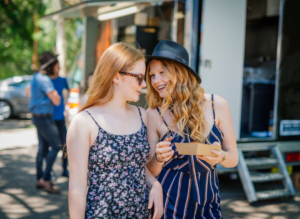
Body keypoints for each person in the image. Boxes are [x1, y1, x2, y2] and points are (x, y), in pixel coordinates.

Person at [67, 42, 163, 219]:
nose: (144, 85)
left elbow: (138, 166)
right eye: (139, 78)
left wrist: (155, 185)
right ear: (116, 76)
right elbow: (77, 187)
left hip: (140, 214)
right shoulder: (84, 122)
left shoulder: (142, 115)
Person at [145, 40, 238, 218]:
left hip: (209, 206)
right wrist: (158, 158)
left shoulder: (217, 104)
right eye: (152, 75)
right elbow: (150, 170)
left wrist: (221, 157)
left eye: (162, 73)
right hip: (169, 205)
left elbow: (233, 157)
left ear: (179, 72)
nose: (156, 81)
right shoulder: (153, 113)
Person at [29, 51, 62, 194]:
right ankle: (46, 178)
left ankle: (39, 179)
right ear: (51, 66)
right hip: (44, 118)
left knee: (42, 147)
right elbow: (57, 100)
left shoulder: (37, 77)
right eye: (56, 65)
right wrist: (58, 95)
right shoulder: (44, 79)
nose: (58, 68)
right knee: (56, 145)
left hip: (38, 116)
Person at [50, 68, 70, 177]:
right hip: (50, 119)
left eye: (58, 67)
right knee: (53, 146)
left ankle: (64, 169)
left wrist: (65, 103)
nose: (57, 69)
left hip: (61, 117)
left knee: (65, 145)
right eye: (55, 67)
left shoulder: (62, 80)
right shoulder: (47, 81)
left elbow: (68, 90)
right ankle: (50, 171)